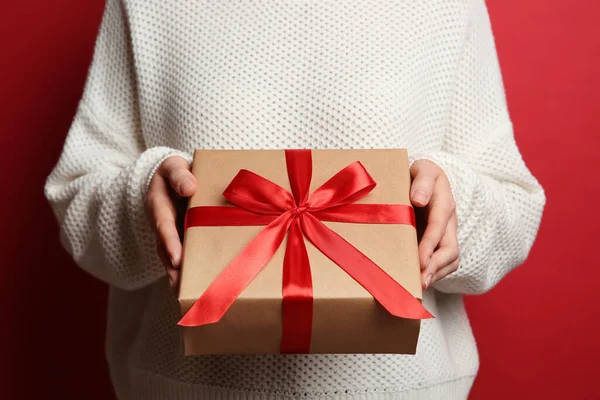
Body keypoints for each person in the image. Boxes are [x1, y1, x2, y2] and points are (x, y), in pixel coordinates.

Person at [44, 0, 546, 398]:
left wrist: (452, 209)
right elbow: (75, 196)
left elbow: (514, 205)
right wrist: (145, 203)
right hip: (179, 389)